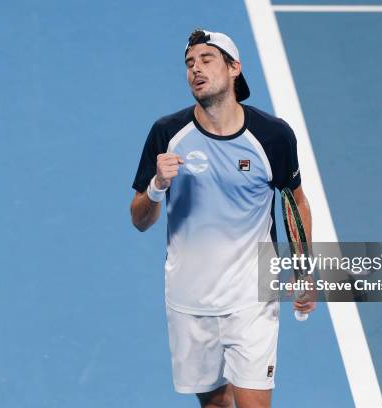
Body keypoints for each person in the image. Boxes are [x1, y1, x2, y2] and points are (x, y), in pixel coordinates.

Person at [130, 29, 314, 408]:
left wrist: (304, 271)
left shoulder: (273, 136)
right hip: (188, 297)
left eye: (207, 59)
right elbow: (139, 219)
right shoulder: (167, 133)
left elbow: (293, 201)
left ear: (234, 68)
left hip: (251, 296)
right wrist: (156, 186)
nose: (195, 69)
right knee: (214, 403)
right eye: (189, 63)